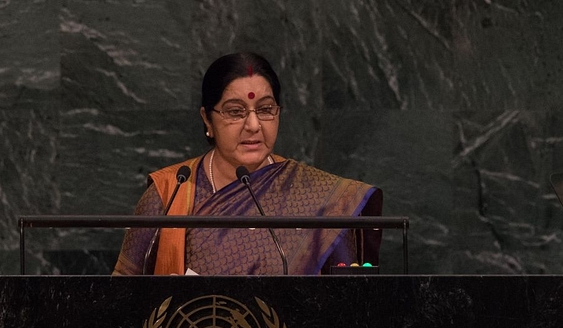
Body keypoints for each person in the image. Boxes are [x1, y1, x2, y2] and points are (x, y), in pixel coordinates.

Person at [112, 52, 383, 276]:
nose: (253, 126)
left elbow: (349, 307)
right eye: (235, 112)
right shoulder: (169, 193)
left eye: (265, 110)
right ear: (207, 119)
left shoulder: (325, 200)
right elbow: (119, 304)